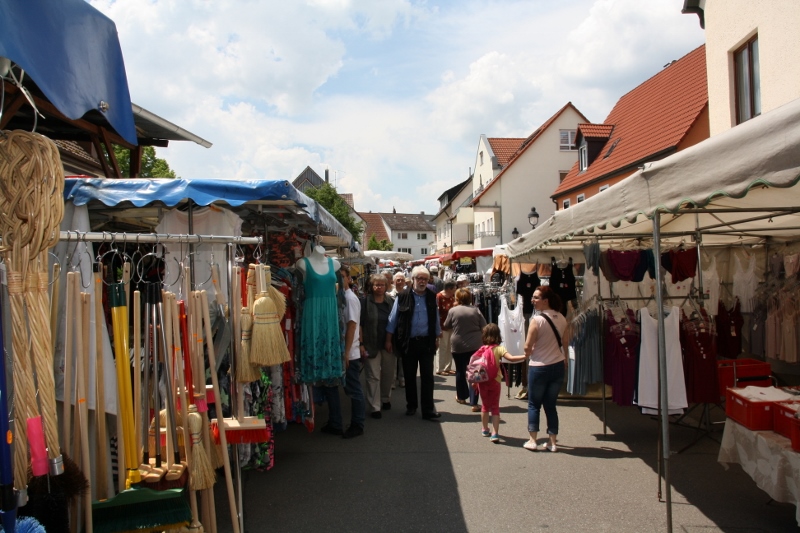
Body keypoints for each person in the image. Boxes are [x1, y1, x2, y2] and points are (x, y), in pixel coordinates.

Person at [385, 266, 441, 420]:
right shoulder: (402, 296)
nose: (422, 281)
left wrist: (437, 337)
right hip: (408, 343)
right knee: (409, 376)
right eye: (419, 278)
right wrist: (388, 340)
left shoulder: (432, 296)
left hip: (426, 342)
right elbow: (393, 319)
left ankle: (428, 410)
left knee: (427, 377)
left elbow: (435, 318)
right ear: (413, 279)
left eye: (425, 278)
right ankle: (411, 406)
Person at [522, 286, 568, 452]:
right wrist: (566, 361)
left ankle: (533, 440)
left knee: (534, 404)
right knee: (551, 405)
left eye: (536, 298)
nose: (532, 300)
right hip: (557, 365)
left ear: (545, 300)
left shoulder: (537, 320)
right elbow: (565, 342)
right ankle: (553, 441)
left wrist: (528, 352)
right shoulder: (562, 318)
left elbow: (527, 346)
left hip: (539, 366)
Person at [321, 267, 366, 439]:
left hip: (349, 354)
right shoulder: (338, 297)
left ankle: (357, 424)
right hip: (339, 352)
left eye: (342, 276)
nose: (339, 280)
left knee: (353, 389)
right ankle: (335, 422)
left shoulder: (350, 298)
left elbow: (352, 326)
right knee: (331, 387)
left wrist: (346, 353)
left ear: (348, 279)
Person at [477, 323, 526, 443]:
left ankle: (484, 429)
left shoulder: (482, 349)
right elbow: (511, 358)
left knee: (484, 406)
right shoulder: (500, 349)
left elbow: (476, 365)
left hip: (483, 381)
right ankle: (495, 433)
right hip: (495, 380)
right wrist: (525, 356)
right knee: (495, 407)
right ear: (498, 335)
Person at [443, 288, 486, 412]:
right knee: (475, 372)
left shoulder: (453, 310)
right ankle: (474, 402)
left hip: (458, 344)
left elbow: (446, 325)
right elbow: (484, 325)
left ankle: (461, 396)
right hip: (475, 345)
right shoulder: (476, 310)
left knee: (460, 371)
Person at [360, 273, 396, 418]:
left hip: (389, 344)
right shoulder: (365, 302)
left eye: (382, 285)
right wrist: (361, 344)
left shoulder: (391, 302)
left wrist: (391, 340)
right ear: (372, 286)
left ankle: (385, 398)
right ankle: (375, 407)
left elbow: (395, 323)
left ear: (386, 286)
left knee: (388, 374)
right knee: (373, 376)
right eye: (376, 284)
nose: (379, 287)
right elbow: (360, 325)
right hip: (371, 343)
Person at [435, 280, 457, 376]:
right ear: (449, 289)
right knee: (442, 347)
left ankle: (448, 367)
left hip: (451, 325)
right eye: (454, 288)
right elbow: (436, 312)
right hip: (442, 325)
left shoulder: (453, 297)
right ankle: (440, 368)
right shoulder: (439, 296)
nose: (455, 289)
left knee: (450, 347)